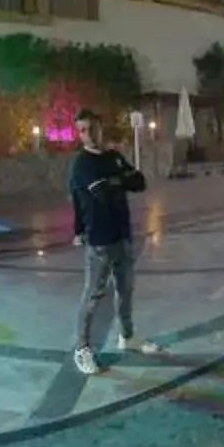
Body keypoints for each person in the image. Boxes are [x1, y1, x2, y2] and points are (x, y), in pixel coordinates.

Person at [66, 107, 162, 377]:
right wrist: (122, 180)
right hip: (99, 239)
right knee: (93, 295)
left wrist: (115, 180)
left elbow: (140, 182)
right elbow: (103, 194)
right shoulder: (83, 163)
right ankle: (82, 348)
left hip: (123, 234)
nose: (88, 134)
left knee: (126, 289)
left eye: (91, 128)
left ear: (100, 127)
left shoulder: (113, 156)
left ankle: (127, 336)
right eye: (82, 130)